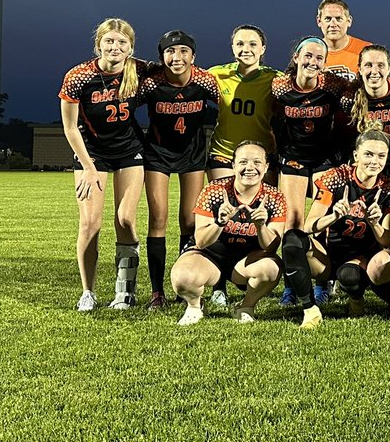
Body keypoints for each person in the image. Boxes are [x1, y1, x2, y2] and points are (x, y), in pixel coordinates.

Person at [59, 18, 148, 311]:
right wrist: (88, 166)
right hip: (91, 153)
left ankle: (125, 291)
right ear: (99, 45)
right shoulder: (78, 76)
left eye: (122, 42)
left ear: (131, 48)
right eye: (109, 41)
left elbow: (175, 70)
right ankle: (88, 291)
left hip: (129, 150)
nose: (115, 47)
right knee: (89, 223)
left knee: (125, 219)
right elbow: (70, 128)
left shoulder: (139, 70)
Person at [281, 130, 390, 327]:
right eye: (368, 154)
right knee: (292, 239)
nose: (374, 161)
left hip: (360, 260)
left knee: (349, 275)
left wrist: (374, 223)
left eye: (381, 156)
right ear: (356, 155)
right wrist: (334, 216)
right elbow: (310, 225)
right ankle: (309, 309)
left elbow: (387, 241)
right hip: (327, 256)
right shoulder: (337, 177)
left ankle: (356, 298)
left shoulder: (388, 188)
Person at [136, 29, 220, 309]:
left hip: (192, 155)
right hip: (158, 154)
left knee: (189, 221)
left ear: (193, 57)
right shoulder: (151, 84)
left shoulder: (205, 81)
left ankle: (185, 287)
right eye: (170, 52)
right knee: (158, 218)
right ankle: (157, 292)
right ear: (162, 57)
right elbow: (124, 107)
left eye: (184, 51)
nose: (177, 57)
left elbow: (229, 103)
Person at [170, 141, 285, 325]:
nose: (250, 167)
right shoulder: (215, 190)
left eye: (257, 162)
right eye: (243, 162)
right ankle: (194, 306)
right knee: (183, 277)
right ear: (233, 165)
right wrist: (219, 222)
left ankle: (245, 306)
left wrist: (261, 226)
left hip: (245, 261)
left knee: (272, 269)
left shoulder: (274, 197)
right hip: (209, 256)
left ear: (266, 167)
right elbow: (200, 241)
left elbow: (271, 247)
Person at [271, 36, 349, 231]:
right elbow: (273, 117)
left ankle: (321, 261)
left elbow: (357, 94)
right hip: (293, 157)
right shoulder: (280, 87)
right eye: (308, 56)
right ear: (296, 57)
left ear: (324, 63)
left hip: (324, 158)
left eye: (319, 58)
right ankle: (292, 261)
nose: (313, 62)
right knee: (293, 220)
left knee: (322, 221)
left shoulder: (332, 85)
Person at [207, 24, 278, 180]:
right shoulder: (216, 75)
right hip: (224, 154)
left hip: (262, 154)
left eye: (253, 44)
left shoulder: (276, 80)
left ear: (263, 49)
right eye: (240, 44)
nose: (246, 49)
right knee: (225, 203)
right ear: (233, 48)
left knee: (262, 204)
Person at [337, 43, 390, 173]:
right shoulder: (349, 99)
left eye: (380, 65)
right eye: (368, 65)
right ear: (360, 69)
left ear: (389, 68)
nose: (374, 71)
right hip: (364, 164)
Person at [317, 0, 371, 78]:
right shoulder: (309, 53)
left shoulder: (366, 50)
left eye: (339, 19)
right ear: (319, 21)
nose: (333, 24)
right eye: (328, 19)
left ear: (349, 21)